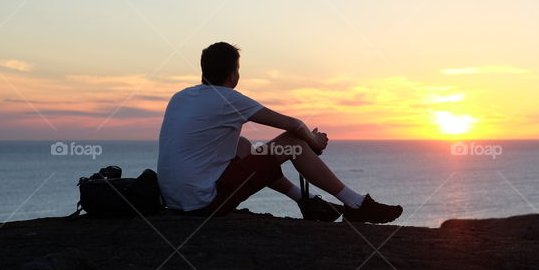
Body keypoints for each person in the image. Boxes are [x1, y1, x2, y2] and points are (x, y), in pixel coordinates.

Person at [156, 42, 403, 224]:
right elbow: (293, 125)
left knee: (241, 145)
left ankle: (304, 200)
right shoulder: (228, 98)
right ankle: (356, 204)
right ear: (233, 73)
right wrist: (313, 139)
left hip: (176, 201)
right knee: (294, 143)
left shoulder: (180, 97)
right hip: (204, 203)